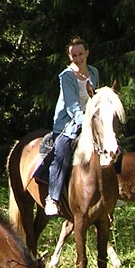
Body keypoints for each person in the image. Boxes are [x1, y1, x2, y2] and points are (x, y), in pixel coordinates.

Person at [45, 37, 99, 216]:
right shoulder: (66, 76)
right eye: (73, 55)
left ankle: (113, 191)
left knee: (111, 147)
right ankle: (52, 197)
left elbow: (95, 98)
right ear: (69, 57)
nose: (78, 59)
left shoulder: (94, 72)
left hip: (90, 121)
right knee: (62, 153)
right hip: (68, 124)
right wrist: (85, 121)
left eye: (80, 54)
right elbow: (71, 105)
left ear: (87, 53)